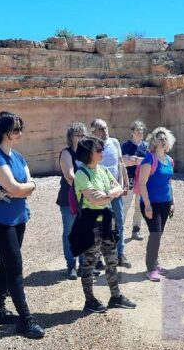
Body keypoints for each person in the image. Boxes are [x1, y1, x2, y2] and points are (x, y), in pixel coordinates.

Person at [0, 111, 45, 339]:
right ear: (3, 131)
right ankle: (25, 320)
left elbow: (25, 186)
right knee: (15, 267)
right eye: (15, 129)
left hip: (17, 217)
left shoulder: (18, 157)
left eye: (20, 128)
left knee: (6, 264)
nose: (20, 133)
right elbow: (16, 188)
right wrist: (23, 188)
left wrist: (23, 188)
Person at [70, 136, 137, 313]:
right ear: (88, 153)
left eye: (102, 149)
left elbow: (119, 188)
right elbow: (95, 199)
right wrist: (111, 194)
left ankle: (115, 297)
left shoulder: (103, 170)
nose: (102, 152)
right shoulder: (81, 174)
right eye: (98, 150)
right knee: (89, 264)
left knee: (112, 260)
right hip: (90, 225)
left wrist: (106, 194)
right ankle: (89, 301)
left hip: (107, 221)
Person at [90, 119, 131, 268]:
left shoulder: (114, 142)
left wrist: (125, 181)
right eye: (101, 129)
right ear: (93, 131)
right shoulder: (90, 146)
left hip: (116, 192)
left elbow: (120, 163)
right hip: (100, 194)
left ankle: (120, 255)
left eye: (105, 127)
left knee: (119, 223)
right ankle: (97, 259)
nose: (105, 131)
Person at [138, 127, 175, 282]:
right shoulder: (149, 159)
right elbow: (142, 184)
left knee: (158, 234)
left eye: (165, 138)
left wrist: (172, 202)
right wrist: (147, 205)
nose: (163, 140)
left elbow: (169, 183)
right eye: (160, 138)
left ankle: (155, 263)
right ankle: (151, 268)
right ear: (154, 141)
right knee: (155, 234)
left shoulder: (169, 160)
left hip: (165, 203)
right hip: (151, 203)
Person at [56, 122, 87, 280]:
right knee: (69, 231)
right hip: (69, 198)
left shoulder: (86, 153)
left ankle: (83, 264)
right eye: (77, 134)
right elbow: (69, 175)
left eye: (83, 134)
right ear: (71, 137)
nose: (80, 137)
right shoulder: (66, 153)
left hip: (85, 197)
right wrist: (86, 188)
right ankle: (71, 265)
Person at [121, 120, 149, 240]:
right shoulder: (126, 145)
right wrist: (136, 160)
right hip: (129, 179)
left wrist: (134, 159)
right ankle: (119, 231)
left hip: (142, 180)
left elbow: (149, 162)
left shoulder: (146, 146)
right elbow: (124, 162)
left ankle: (136, 230)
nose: (140, 134)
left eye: (141, 131)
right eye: (137, 131)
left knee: (139, 206)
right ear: (132, 132)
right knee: (125, 205)